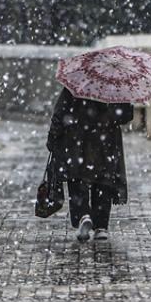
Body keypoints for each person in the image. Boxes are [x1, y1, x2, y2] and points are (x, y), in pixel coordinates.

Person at [45, 87, 133, 242]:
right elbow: (126, 115)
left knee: (78, 179)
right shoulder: (116, 85)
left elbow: (60, 111)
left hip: (78, 139)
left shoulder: (78, 83)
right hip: (106, 141)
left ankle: (83, 216)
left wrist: (53, 136)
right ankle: (101, 226)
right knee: (104, 181)